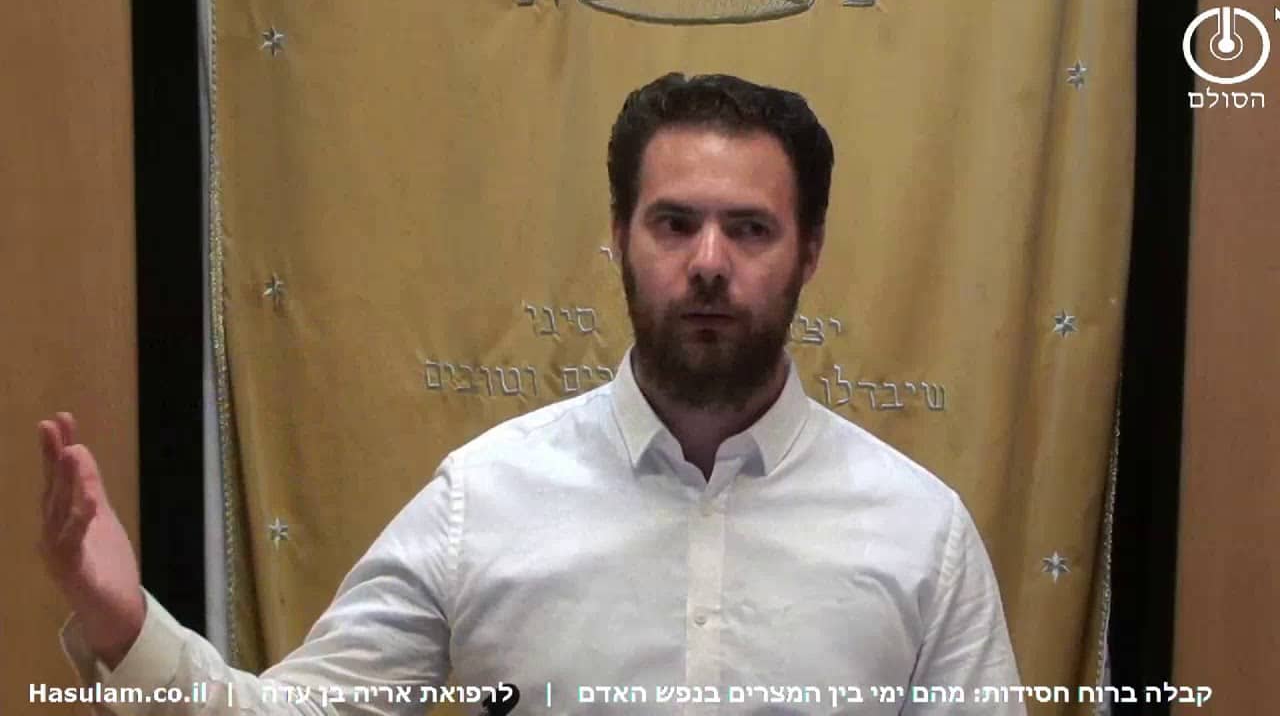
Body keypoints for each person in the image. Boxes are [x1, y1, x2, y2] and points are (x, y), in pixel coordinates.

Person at [38, 73, 1024, 715]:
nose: (708, 262)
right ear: (619, 236)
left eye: (750, 229)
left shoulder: (918, 531)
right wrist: (124, 626)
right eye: (673, 223)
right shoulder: (483, 499)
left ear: (809, 251)